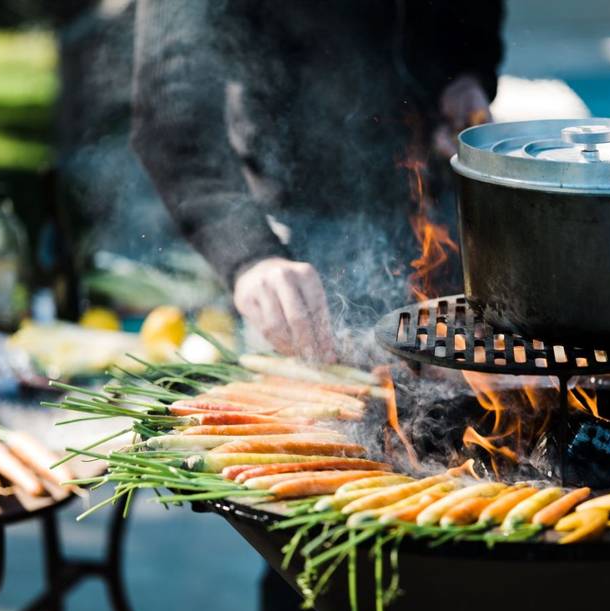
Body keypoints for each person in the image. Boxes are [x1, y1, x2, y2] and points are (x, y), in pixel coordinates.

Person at [131, 0, 504, 364]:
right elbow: (171, 107)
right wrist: (249, 254)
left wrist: (465, 75)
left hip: (441, 212)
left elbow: (475, 16)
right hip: (301, 237)